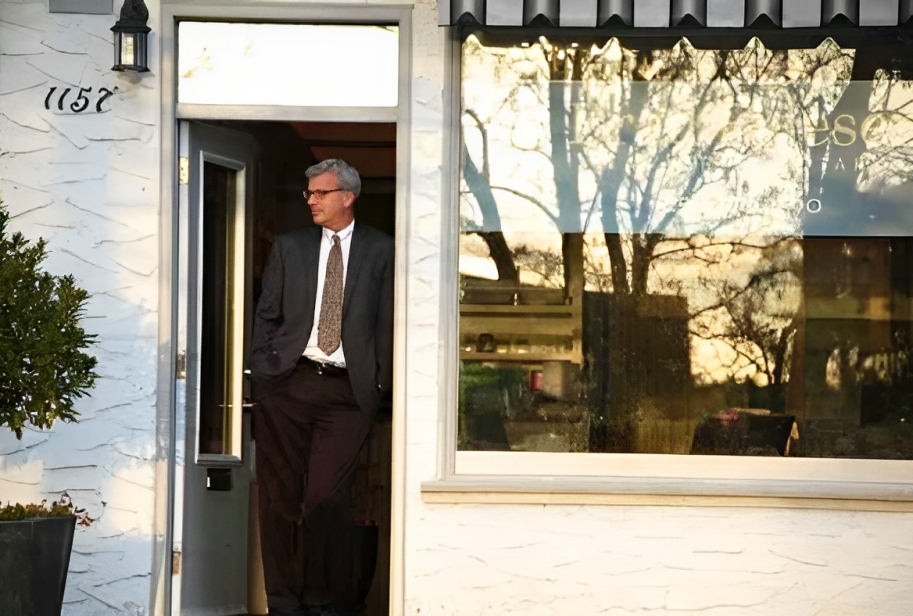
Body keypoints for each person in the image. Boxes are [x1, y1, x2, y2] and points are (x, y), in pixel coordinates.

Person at [249, 158, 394, 616]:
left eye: (320, 192)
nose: (310, 199)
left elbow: (389, 321)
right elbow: (266, 314)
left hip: (347, 394)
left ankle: (326, 598)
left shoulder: (382, 249)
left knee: (326, 498)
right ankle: (284, 599)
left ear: (347, 197)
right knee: (279, 496)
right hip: (289, 385)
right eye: (308, 192)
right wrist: (266, 372)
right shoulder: (290, 247)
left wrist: (380, 382)